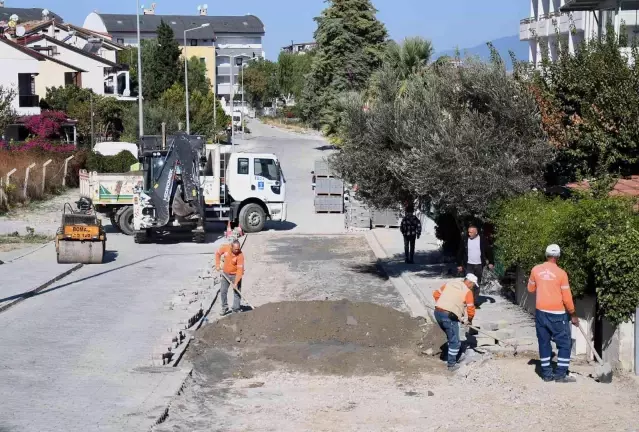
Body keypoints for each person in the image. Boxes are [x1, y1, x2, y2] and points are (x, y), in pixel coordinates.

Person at [528, 244, 579, 383]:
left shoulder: (535, 270)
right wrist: (573, 314)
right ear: (558, 257)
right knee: (564, 344)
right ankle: (560, 374)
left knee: (544, 343)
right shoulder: (561, 274)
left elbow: (530, 289)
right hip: (557, 314)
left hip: (540, 313)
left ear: (546, 255)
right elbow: (567, 297)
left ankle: (546, 374)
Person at [433, 274, 477, 372]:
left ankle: (451, 355)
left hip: (437, 313)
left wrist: (443, 306)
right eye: (473, 285)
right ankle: (451, 365)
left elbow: (436, 294)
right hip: (448, 316)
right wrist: (469, 320)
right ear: (469, 282)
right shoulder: (467, 291)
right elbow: (471, 309)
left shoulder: (451, 283)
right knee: (455, 341)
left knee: (451, 336)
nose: (472, 287)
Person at [457, 224, 494, 307]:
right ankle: (466, 300)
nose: (469, 234)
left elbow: (488, 251)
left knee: (476, 283)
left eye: (471, 232)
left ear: (476, 232)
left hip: (479, 265)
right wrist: (459, 264)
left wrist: (491, 262)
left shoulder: (482, 239)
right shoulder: (465, 240)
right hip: (469, 265)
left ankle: (474, 301)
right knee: (468, 283)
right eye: (469, 232)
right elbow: (460, 251)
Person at [215, 240, 245, 316]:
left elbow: (240, 271)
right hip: (225, 274)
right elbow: (217, 253)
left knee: (237, 292)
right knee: (223, 291)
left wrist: (236, 282)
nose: (238, 250)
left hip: (235, 275)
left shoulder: (240, 255)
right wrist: (217, 265)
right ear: (231, 247)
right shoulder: (225, 248)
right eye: (236, 249)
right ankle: (224, 307)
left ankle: (235, 309)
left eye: (238, 249)